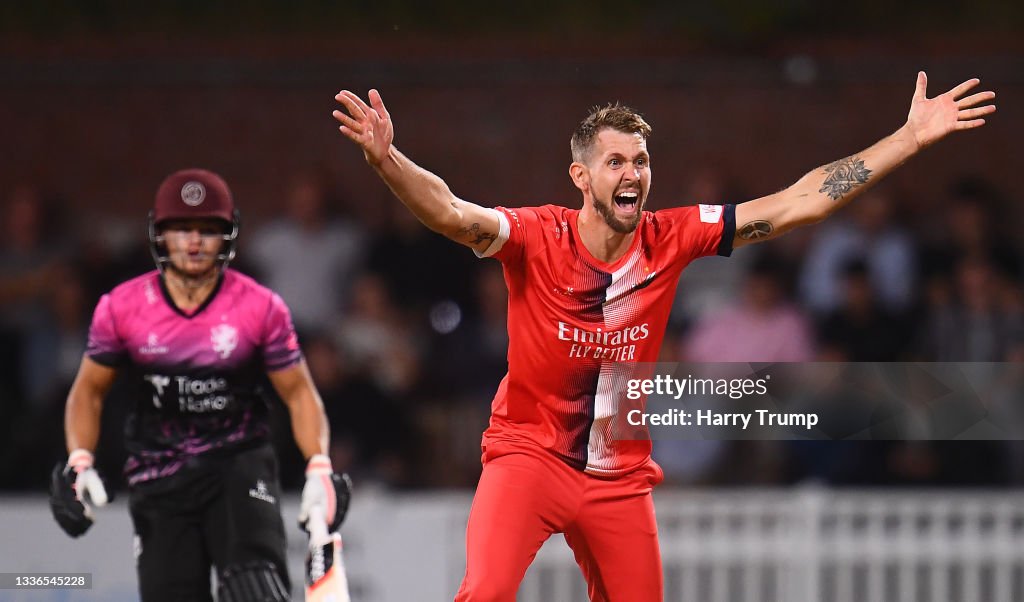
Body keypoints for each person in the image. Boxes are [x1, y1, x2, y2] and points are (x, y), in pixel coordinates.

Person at [332, 72, 994, 601]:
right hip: (528, 457)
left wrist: (907, 139)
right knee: (487, 591)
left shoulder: (672, 236)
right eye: (615, 161)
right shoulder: (537, 235)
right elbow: (449, 212)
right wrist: (387, 160)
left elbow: (798, 203)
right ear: (581, 177)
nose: (632, 174)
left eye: (642, 161)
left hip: (617, 475)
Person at [48, 168, 352, 602]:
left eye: (208, 230)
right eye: (181, 228)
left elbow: (299, 393)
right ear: (159, 234)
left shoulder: (260, 307)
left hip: (239, 467)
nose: (193, 241)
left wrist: (318, 466)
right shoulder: (121, 308)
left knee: (255, 589)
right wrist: (80, 459)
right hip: (159, 475)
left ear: (228, 235)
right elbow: (88, 390)